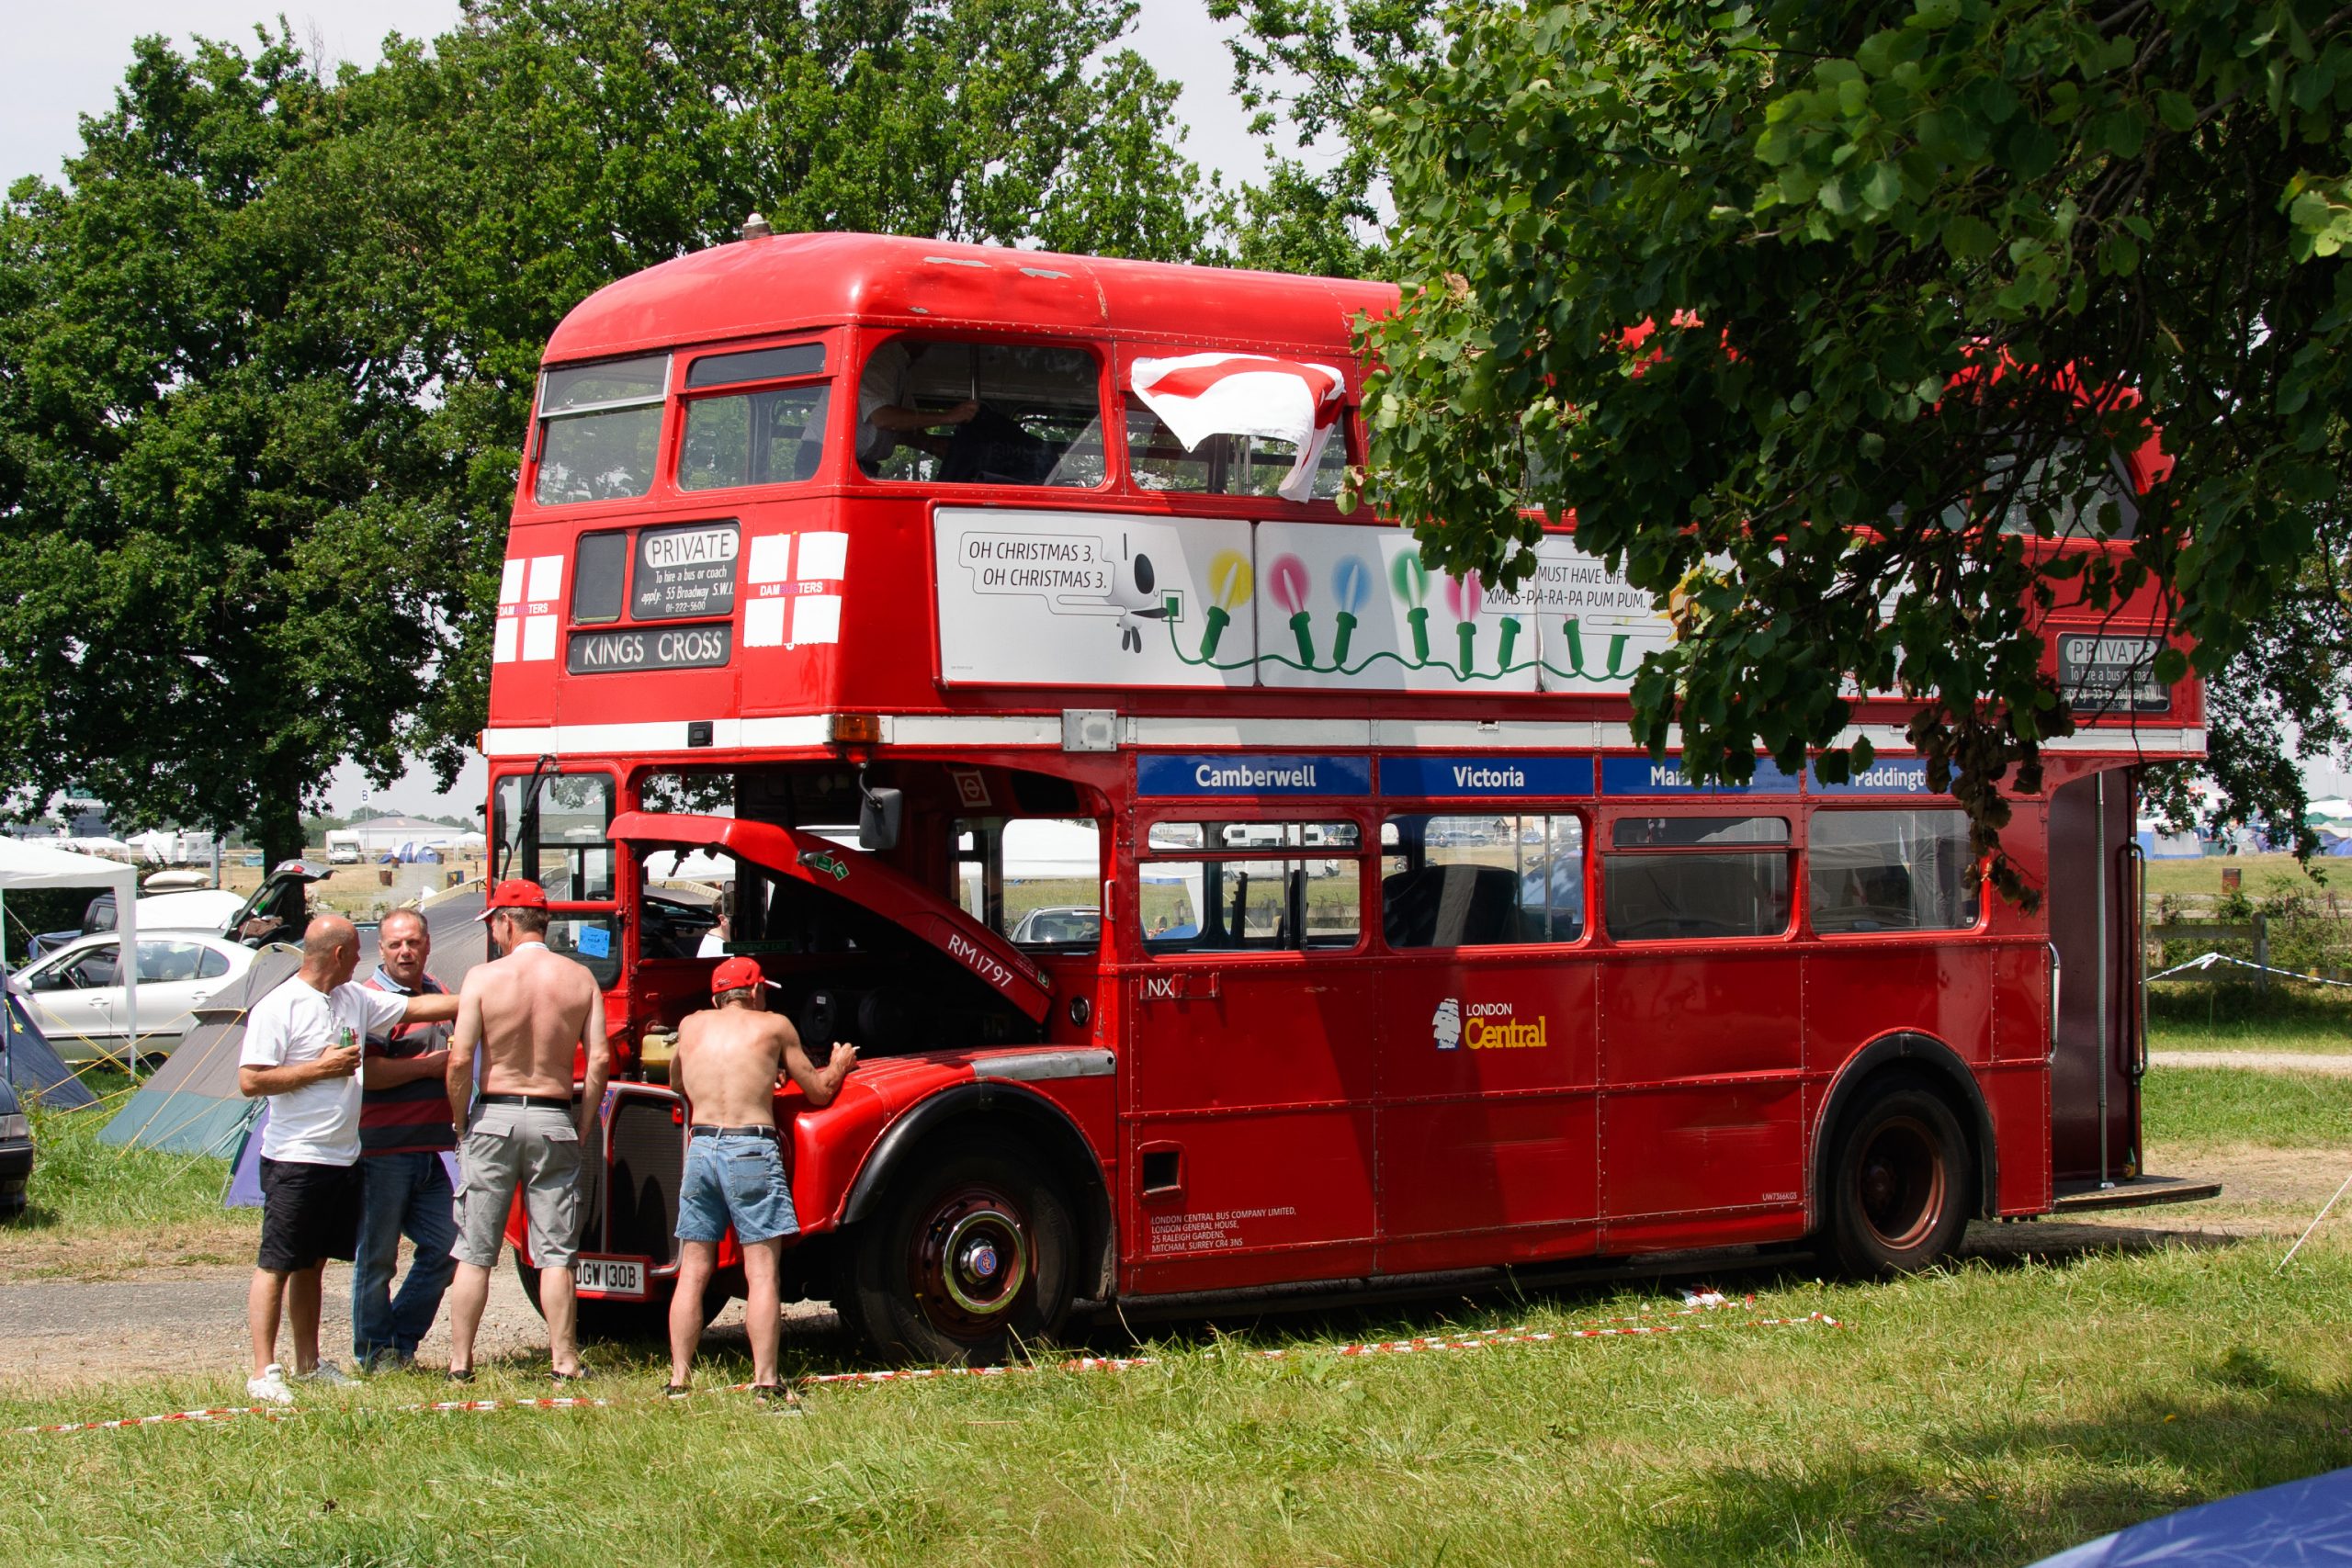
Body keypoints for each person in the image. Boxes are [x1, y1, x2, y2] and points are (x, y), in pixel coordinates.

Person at [238, 915, 459, 1405]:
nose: (362, 960)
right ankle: (262, 1371)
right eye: (358, 952)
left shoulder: (352, 998)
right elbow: (251, 1080)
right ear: (338, 954)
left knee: (312, 1265)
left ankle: (308, 1365)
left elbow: (418, 1007)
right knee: (276, 1264)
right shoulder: (279, 1005)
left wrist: (488, 994)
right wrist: (319, 1069)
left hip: (342, 1158)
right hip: (295, 1157)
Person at [666, 956, 854, 1409]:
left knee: (693, 1270)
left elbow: (676, 1082)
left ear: (717, 996)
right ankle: (766, 1381)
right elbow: (819, 1091)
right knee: (762, 1272)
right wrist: (840, 1063)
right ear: (753, 992)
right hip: (750, 1147)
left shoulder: (690, 1026)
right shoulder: (774, 1026)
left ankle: (678, 1380)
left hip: (702, 1146)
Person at [443, 880, 611, 1382]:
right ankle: (564, 1361)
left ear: (507, 923)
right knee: (556, 1254)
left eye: (494, 926)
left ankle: (460, 1364)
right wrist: (584, 1122)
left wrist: (460, 1120)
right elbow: (599, 1060)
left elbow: (459, 1059)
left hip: (494, 1114)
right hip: (553, 1115)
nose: (494, 935)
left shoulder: (483, 977)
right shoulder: (580, 978)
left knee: (476, 1252)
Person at [351, 907, 458, 1371]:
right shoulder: (371, 1000)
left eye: (413, 942)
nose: (405, 952)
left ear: (428, 944)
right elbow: (369, 1073)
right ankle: (375, 1353)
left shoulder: (438, 991)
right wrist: (428, 1068)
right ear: (380, 949)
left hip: (428, 1149)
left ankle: (399, 1340)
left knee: (450, 1246)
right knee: (378, 1259)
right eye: (395, 944)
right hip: (382, 1151)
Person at [855, 339, 976, 474]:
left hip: (865, 467)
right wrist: (948, 417)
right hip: (851, 464)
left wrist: (931, 444)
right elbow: (883, 418)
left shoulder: (900, 367)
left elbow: (905, 427)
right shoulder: (883, 357)